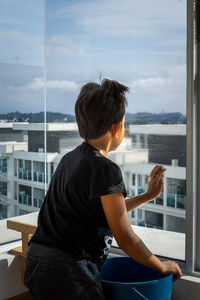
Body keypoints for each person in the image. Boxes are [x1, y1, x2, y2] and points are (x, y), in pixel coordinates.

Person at [24, 78, 182, 300]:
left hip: (38, 261)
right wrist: (161, 267)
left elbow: (105, 212)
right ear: (116, 127)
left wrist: (147, 196)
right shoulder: (105, 168)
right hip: (69, 269)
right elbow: (125, 236)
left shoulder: (69, 159)